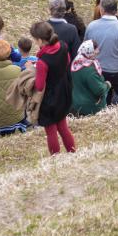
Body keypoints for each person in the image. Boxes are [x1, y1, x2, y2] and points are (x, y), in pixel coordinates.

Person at [31, 21, 75, 155]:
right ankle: (72, 152)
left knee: (51, 131)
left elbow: (39, 86)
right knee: (63, 127)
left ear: (40, 40)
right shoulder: (63, 46)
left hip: (50, 99)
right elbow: (67, 62)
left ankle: (55, 158)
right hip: (64, 92)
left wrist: (32, 72)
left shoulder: (42, 61)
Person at [69, 40, 109, 116]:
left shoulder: (76, 63)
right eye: (95, 49)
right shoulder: (90, 71)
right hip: (89, 108)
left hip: (76, 104)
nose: (98, 51)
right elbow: (99, 90)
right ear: (90, 51)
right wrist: (107, 85)